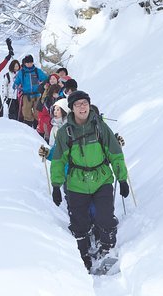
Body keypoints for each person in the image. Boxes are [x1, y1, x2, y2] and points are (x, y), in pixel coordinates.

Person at [50, 90, 129, 273]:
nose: (82, 107)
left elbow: (115, 154)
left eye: (85, 103)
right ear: (71, 109)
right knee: (79, 222)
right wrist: (56, 185)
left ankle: (107, 249)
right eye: (78, 104)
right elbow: (59, 161)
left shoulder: (100, 127)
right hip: (76, 184)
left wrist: (122, 178)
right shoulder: (65, 133)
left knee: (105, 217)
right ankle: (83, 255)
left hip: (101, 179)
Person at [13, 55, 47, 127]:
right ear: (25, 63)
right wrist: (15, 85)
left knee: (37, 111)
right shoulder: (21, 72)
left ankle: (37, 125)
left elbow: (45, 78)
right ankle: (28, 126)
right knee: (26, 111)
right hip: (26, 94)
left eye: (30, 62)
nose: (29, 64)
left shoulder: (37, 71)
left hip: (37, 94)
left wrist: (43, 83)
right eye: (27, 63)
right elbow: (17, 80)